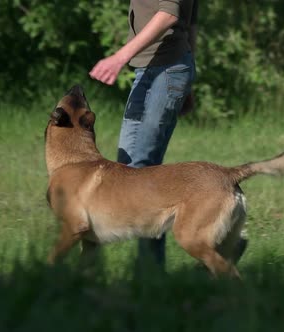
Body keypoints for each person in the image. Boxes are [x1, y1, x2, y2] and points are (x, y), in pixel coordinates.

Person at [89, 0, 198, 270]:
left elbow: (169, 14)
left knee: (140, 176)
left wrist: (118, 57)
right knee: (129, 171)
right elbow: (191, 21)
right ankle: (150, 271)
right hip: (153, 71)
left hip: (165, 69)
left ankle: (150, 271)